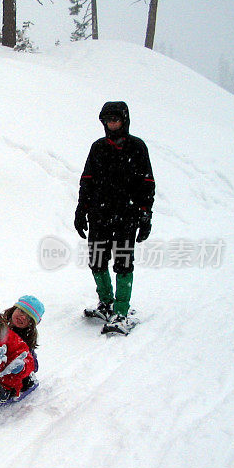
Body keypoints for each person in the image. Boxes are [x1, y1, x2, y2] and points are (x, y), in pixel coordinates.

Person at [75, 101, 155, 334]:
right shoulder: (98, 147)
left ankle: (121, 310)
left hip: (126, 215)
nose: (112, 124)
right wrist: (81, 210)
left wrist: (145, 213)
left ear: (124, 121)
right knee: (97, 260)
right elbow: (87, 180)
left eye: (116, 119)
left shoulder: (137, 147)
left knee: (122, 260)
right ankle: (106, 302)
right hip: (99, 214)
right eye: (108, 120)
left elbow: (147, 183)